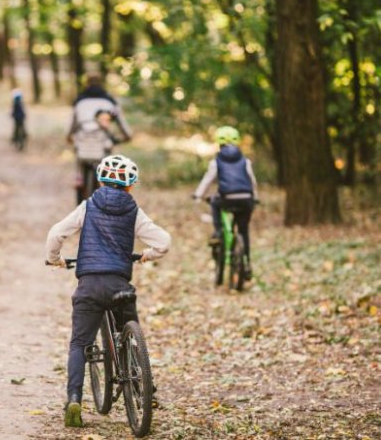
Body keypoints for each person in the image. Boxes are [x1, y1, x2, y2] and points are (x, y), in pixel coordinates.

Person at [45, 154, 171, 428]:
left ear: (100, 181)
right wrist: (148, 255)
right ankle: (143, 384)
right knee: (129, 327)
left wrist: (56, 259)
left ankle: (75, 398)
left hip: (89, 285)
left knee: (80, 343)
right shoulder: (134, 211)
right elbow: (163, 241)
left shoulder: (88, 206)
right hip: (118, 285)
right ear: (130, 185)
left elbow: (56, 233)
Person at [192, 126, 257, 278]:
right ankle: (246, 263)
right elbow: (252, 181)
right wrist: (254, 197)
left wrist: (198, 195)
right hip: (246, 199)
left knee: (214, 202)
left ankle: (218, 231)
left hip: (226, 198)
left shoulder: (217, 161)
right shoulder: (245, 161)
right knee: (243, 230)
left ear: (218, 143)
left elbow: (208, 180)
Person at [67, 74, 132, 203]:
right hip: (102, 145)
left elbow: (71, 124)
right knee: (107, 167)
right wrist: (127, 136)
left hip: (83, 143)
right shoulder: (109, 101)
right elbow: (121, 123)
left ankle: (79, 180)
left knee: (80, 158)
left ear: (86, 84)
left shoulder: (79, 101)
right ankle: (107, 192)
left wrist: (68, 136)